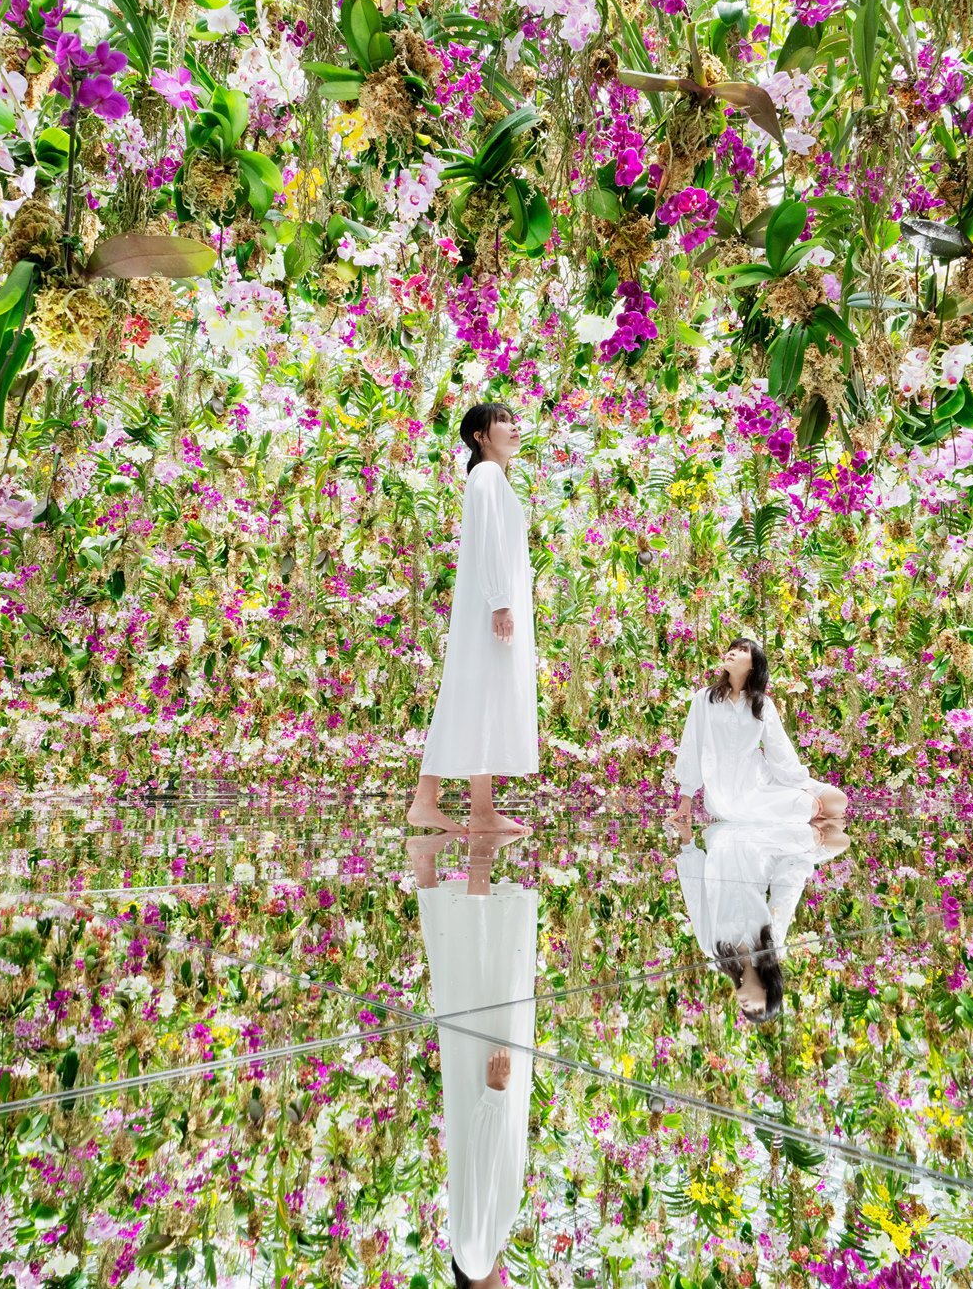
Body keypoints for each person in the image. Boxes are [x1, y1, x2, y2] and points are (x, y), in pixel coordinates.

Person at [409, 403, 538, 838]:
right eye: (503, 420)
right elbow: (486, 541)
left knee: (477, 695)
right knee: (474, 693)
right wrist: (500, 602)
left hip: (491, 605)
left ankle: (468, 807)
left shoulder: (495, 479)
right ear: (481, 436)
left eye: (512, 419)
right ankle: (438, 803)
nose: (514, 426)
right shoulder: (485, 476)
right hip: (490, 607)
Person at [417, 857, 536, 1285]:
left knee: (486, 980)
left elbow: (482, 1167)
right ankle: (427, 871)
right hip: (485, 1090)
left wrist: (494, 1095)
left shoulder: (476, 1258)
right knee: (468, 985)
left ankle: (478, 854)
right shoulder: (475, 1252)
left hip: (488, 1086)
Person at [675, 818, 850, 1022]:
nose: (747, 1008)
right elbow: (785, 892)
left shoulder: (715, 950)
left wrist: (688, 842)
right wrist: (811, 847)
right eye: (758, 1010)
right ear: (768, 991)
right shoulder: (770, 943)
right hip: (754, 845)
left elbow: (697, 899)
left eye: (746, 1013)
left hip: (719, 843)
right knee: (837, 838)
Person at [667, 639, 849, 827]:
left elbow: (778, 748)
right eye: (731, 649)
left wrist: (804, 786)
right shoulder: (704, 698)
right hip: (726, 792)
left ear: (753, 666)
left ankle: (801, 809)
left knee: (837, 801)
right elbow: (692, 745)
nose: (732, 652)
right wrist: (686, 797)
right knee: (808, 806)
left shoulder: (762, 703)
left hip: (762, 779)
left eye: (742, 650)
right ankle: (798, 820)